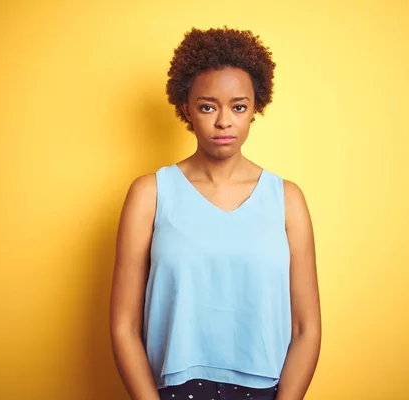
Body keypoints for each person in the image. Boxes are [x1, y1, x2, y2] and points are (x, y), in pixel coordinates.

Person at [110, 27, 321, 400]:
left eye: (238, 107)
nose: (224, 121)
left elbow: (307, 327)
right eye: (208, 106)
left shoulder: (286, 199)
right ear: (186, 107)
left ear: (255, 108)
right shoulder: (150, 194)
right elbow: (124, 326)